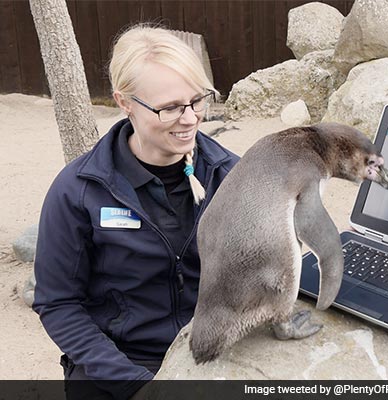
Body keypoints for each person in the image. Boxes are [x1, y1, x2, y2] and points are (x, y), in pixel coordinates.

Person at [32, 24, 239, 399]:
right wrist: (134, 385)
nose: (191, 118)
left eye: (197, 100)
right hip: (114, 367)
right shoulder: (78, 191)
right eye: (170, 107)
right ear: (124, 102)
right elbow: (58, 303)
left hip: (212, 355)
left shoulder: (232, 176)